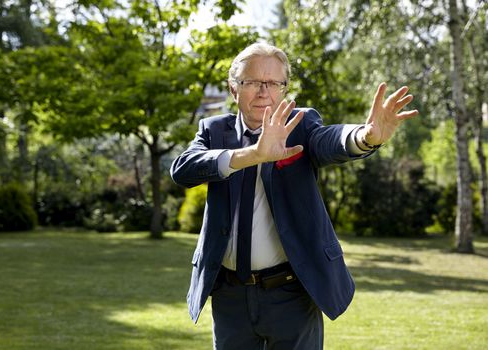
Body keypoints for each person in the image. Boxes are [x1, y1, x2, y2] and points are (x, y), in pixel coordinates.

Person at [170, 42, 418, 350]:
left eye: (274, 83)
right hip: (229, 296)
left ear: (284, 90)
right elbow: (182, 169)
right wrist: (251, 155)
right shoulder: (213, 129)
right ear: (233, 89)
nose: (264, 92)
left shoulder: (301, 125)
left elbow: (328, 140)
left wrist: (364, 137)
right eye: (253, 82)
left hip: (291, 293)